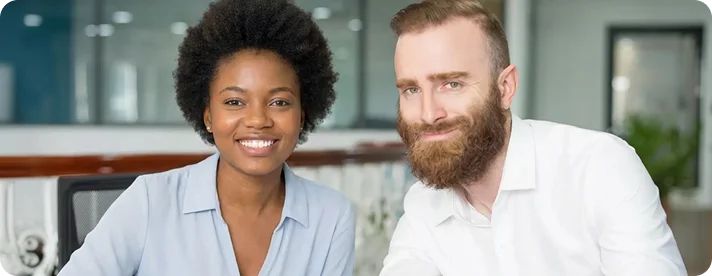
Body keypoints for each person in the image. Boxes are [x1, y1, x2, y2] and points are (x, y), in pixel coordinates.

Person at [380, 0, 687, 275]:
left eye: (452, 84)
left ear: (505, 88)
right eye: (411, 90)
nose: (429, 113)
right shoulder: (424, 203)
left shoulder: (599, 168)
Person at [57, 0, 356, 275]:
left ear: (302, 115)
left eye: (279, 102)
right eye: (234, 102)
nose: (257, 120)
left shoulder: (331, 216)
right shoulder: (149, 201)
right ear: (208, 116)